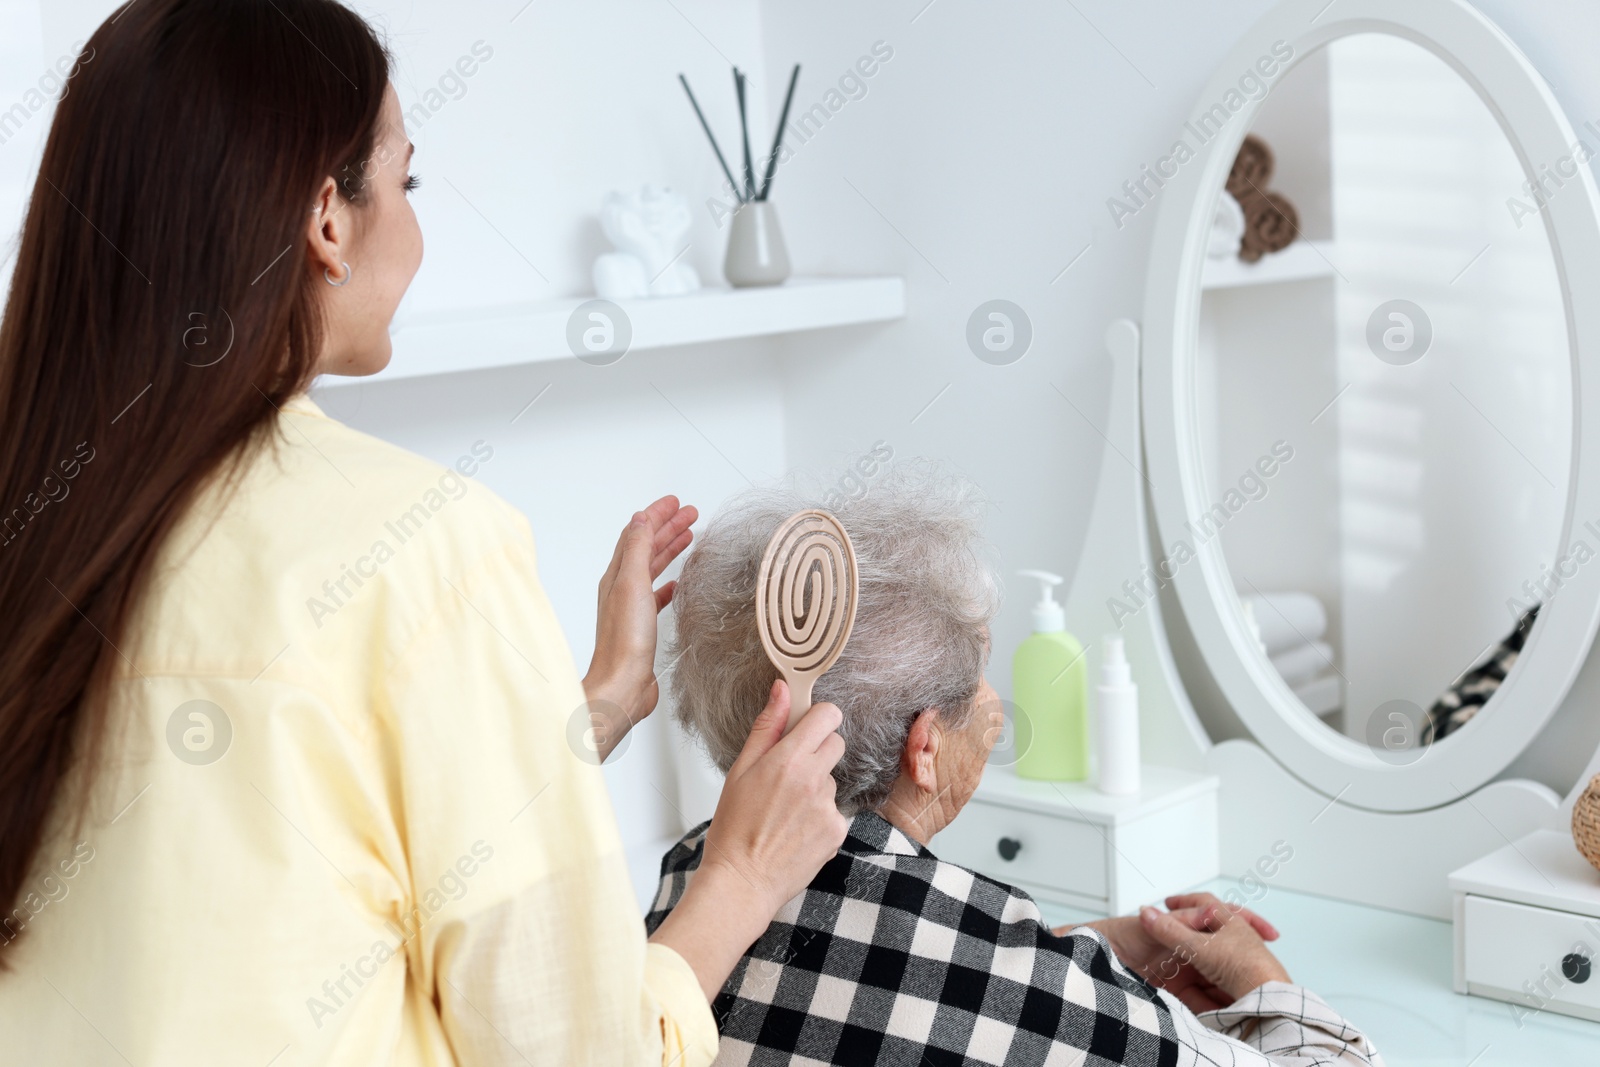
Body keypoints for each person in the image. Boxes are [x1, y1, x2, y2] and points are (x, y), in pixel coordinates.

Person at [0, 2, 847, 1063]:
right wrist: (738, 878)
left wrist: (569, 722)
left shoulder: (42, 526)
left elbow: (243, 842)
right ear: (326, 218)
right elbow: (570, 1046)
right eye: (407, 181)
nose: (417, 223)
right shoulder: (423, 543)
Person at [649, 464, 1385, 1066]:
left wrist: (1075, 948)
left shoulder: (685, 893)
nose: (994, 704)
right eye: (978, 675)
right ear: (925, 746)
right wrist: (1264, 983)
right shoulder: (1048, 1005)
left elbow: (868, 955)